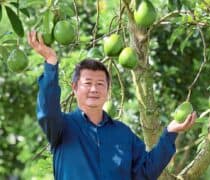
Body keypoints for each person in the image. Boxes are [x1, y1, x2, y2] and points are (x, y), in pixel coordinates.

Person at [27, 31, 197, 180]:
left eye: (100, 84)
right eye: (88, 83)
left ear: (108, 90)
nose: (94, 89)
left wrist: (170, 133)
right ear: (74, 88)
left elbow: (146, 172)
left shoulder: (123, 133)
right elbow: (48, 111)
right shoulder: (62, 128)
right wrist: (50, 62)